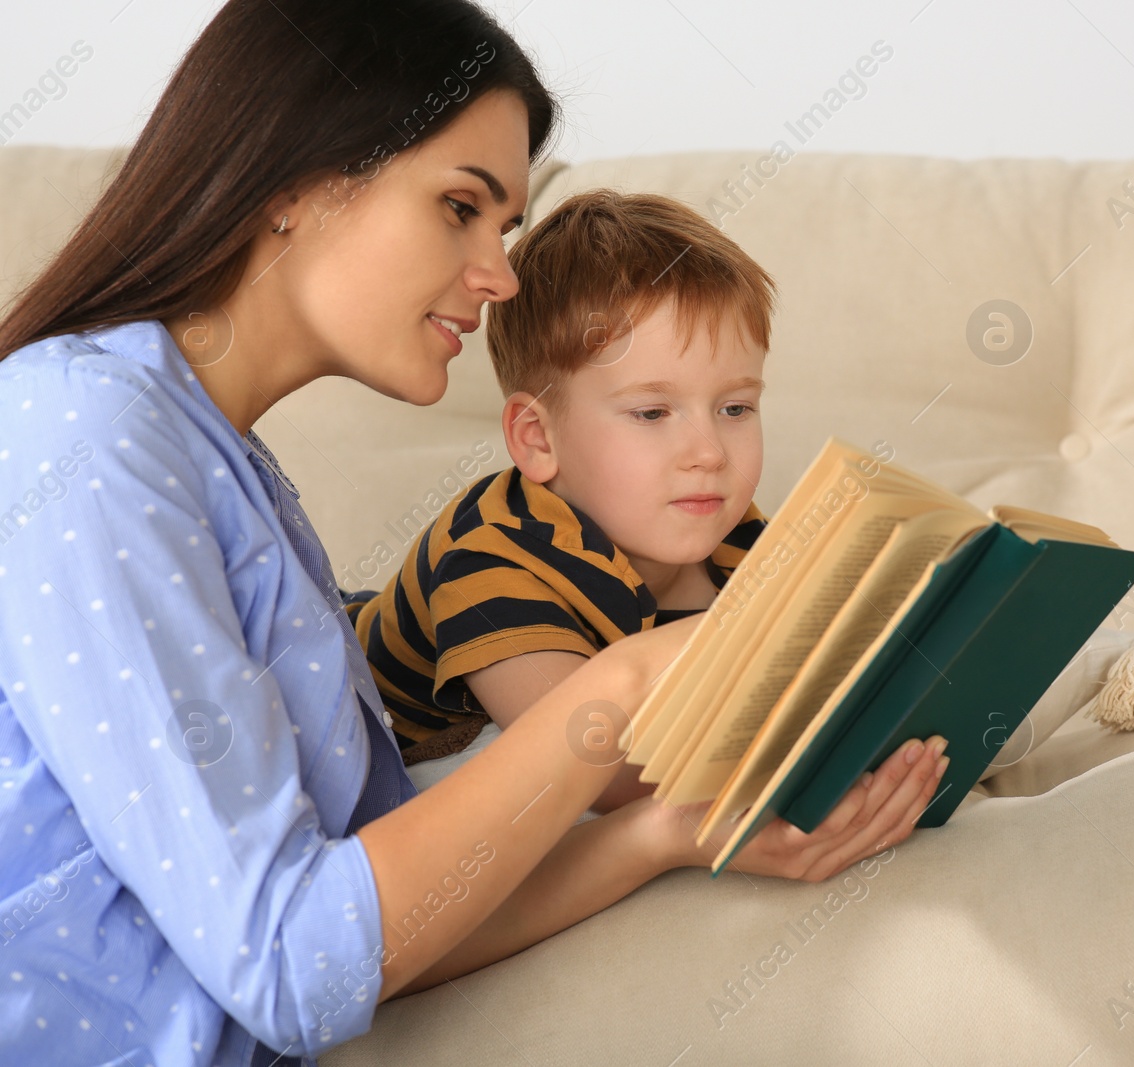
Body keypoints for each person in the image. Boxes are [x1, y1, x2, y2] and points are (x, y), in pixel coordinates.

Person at [0, 2, 948, 1065]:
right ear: (297, 184)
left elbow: (372, 927)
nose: (498, 272)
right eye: (461, 206)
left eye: (502, 225)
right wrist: (625, 682)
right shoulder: (81, 431)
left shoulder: (232, 475)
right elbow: (290, 963)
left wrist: (667, 835)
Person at [342, 189, 812, 823]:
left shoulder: (735, 534)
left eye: (735, 408)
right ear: (538, 439)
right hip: (390, 738)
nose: (709, 453)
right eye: (651, 412)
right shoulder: (488, 559)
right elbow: (601, 773)